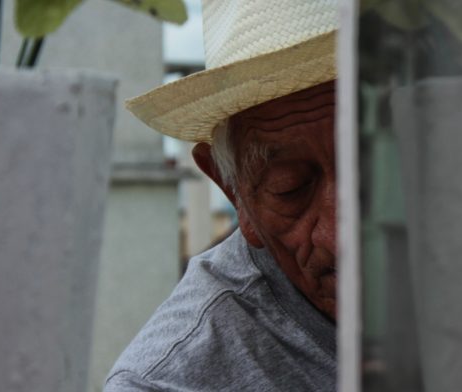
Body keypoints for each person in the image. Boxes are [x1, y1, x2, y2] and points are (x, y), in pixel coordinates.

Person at [104, 0, 338, 390]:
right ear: (233, 192)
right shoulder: (172, 383)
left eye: (375, 168)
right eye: (291, 188)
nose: (340, 234)